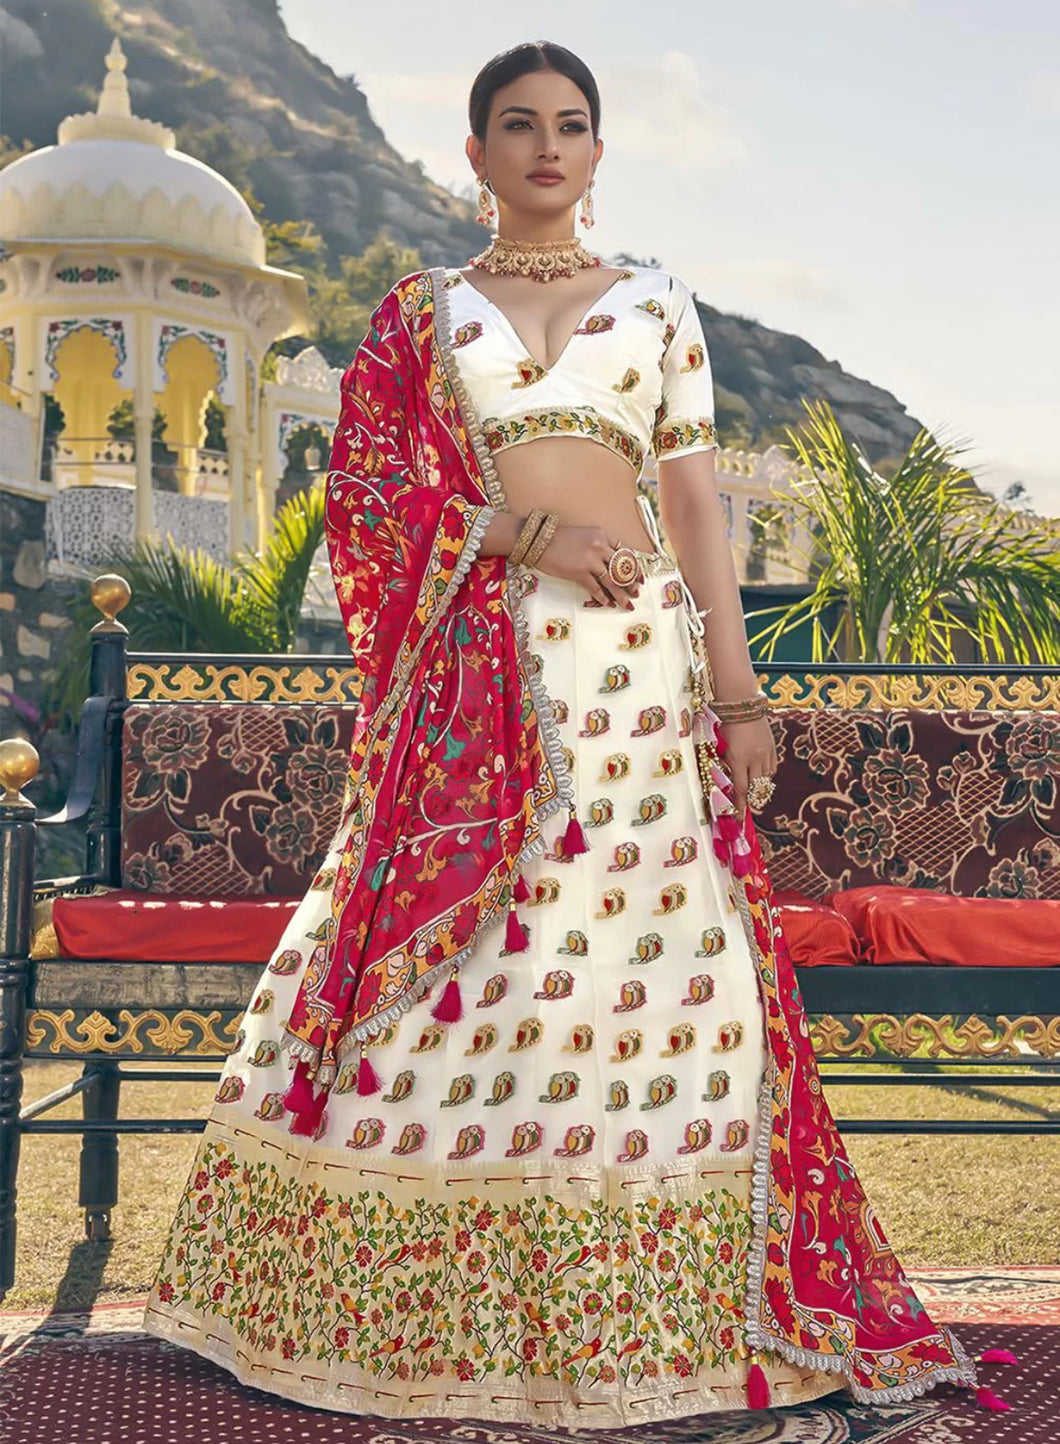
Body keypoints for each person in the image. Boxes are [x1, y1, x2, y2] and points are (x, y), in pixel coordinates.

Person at [144, 39, 1001, 1429]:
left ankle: (667, 1317)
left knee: (645, 973)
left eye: (573, 126)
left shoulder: (660, 304)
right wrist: (516, 531)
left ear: (599, 154)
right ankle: (421, 1314)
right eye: (519, 125)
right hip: (481, 664)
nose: (549, 146)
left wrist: (738, 694)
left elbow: (701, 509)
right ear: (474, 154)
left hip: (636, 674)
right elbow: (364, 490)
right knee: (490, 967)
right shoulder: (423, 312)